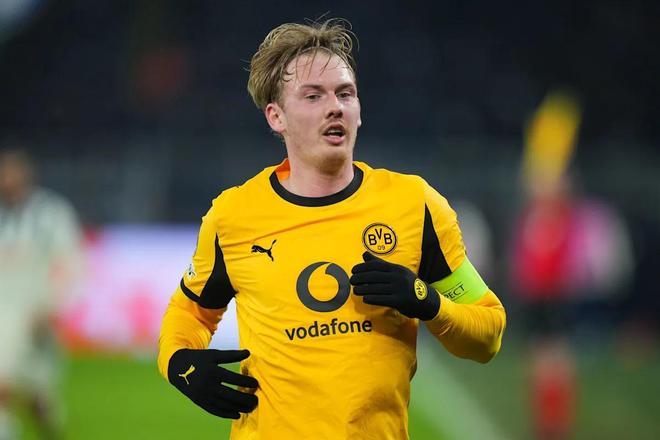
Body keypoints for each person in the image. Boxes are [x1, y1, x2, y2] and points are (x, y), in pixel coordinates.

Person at [158, 19, 506, 438]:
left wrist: (427, 302)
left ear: (359, 111)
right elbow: (189, 312)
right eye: (313, 96)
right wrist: (178, 363)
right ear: (276, 117)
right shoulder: (233, 216)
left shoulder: (416, 205)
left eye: (345, 93)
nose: (335, 106)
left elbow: (488, 333)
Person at [0, 148, 83, 440]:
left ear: (26, 175)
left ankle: (50, 429)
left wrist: (52, 304)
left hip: (38, 313)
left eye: (12, 174)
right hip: (4, 313)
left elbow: (70, 261)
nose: (7, 180)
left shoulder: (51, 214)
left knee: (38, 398)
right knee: (3, 381)